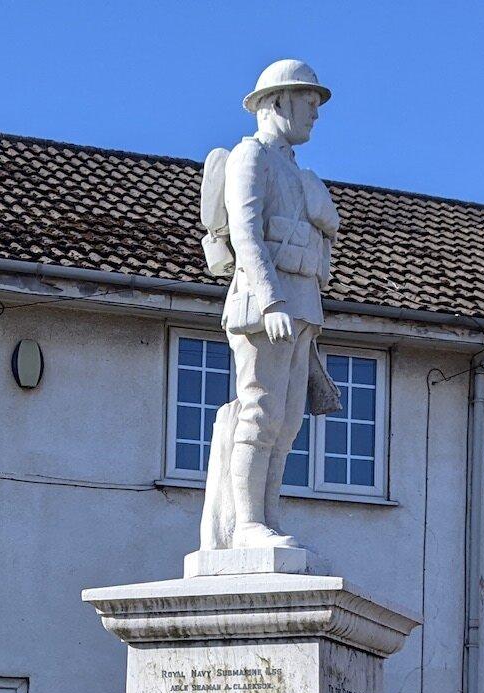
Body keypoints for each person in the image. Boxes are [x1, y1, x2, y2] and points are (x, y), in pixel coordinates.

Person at [199, 58, 343, 555]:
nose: (315, 115)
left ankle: (267, 514)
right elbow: (246, 234)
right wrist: (271, 300)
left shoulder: (298, 172)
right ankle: (246, 523)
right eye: (309, 102)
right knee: (260, 411)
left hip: (302, 305)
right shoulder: (251, 157)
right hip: (266, 305)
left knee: (288, 420)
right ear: (277, 101)